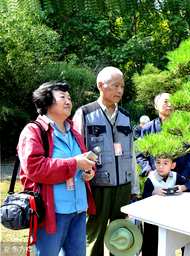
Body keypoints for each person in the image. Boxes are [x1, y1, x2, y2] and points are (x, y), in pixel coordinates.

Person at [17, 81, 96, 256]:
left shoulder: (73, 132)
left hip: (78, 208)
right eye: (62, 97)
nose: (68, 101)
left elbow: (83, 160)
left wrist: (89, 171)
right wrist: (74, 163)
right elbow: (35, 167)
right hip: (51, 211)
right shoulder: (33, 131)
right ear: (46, 102)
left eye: (69, 97)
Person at [72, 67, 140, 256]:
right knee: (95, 236)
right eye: (115, 85)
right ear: (101, 86)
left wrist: (134, 188)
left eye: (122, 86)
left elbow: (132, 153)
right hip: (97, 187)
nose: (120, 90)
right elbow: (78, 152)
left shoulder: (125, 116)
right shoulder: (85, 113)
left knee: (121, 236)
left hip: (123, 187)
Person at [141, 156, 190, 256]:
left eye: (165, 163)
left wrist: (183, 187)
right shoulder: (151, 179)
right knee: (151, 243)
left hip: (169, 217)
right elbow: (143, 197)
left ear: (172, 165)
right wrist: (153, 192)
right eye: (158, 163)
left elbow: (189, 183)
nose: (161, 166)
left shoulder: (175, 176)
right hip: (152, 219)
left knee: (168, 244)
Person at [136, 93, 190, 179]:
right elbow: (140, 154)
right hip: (156, 179)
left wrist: (184, 176)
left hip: (179, 178)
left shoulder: (183, 128)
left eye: (172, 102)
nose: (170, 104)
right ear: (156, 106)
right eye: (166, 102)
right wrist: (149, 171)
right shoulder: (148, 128)